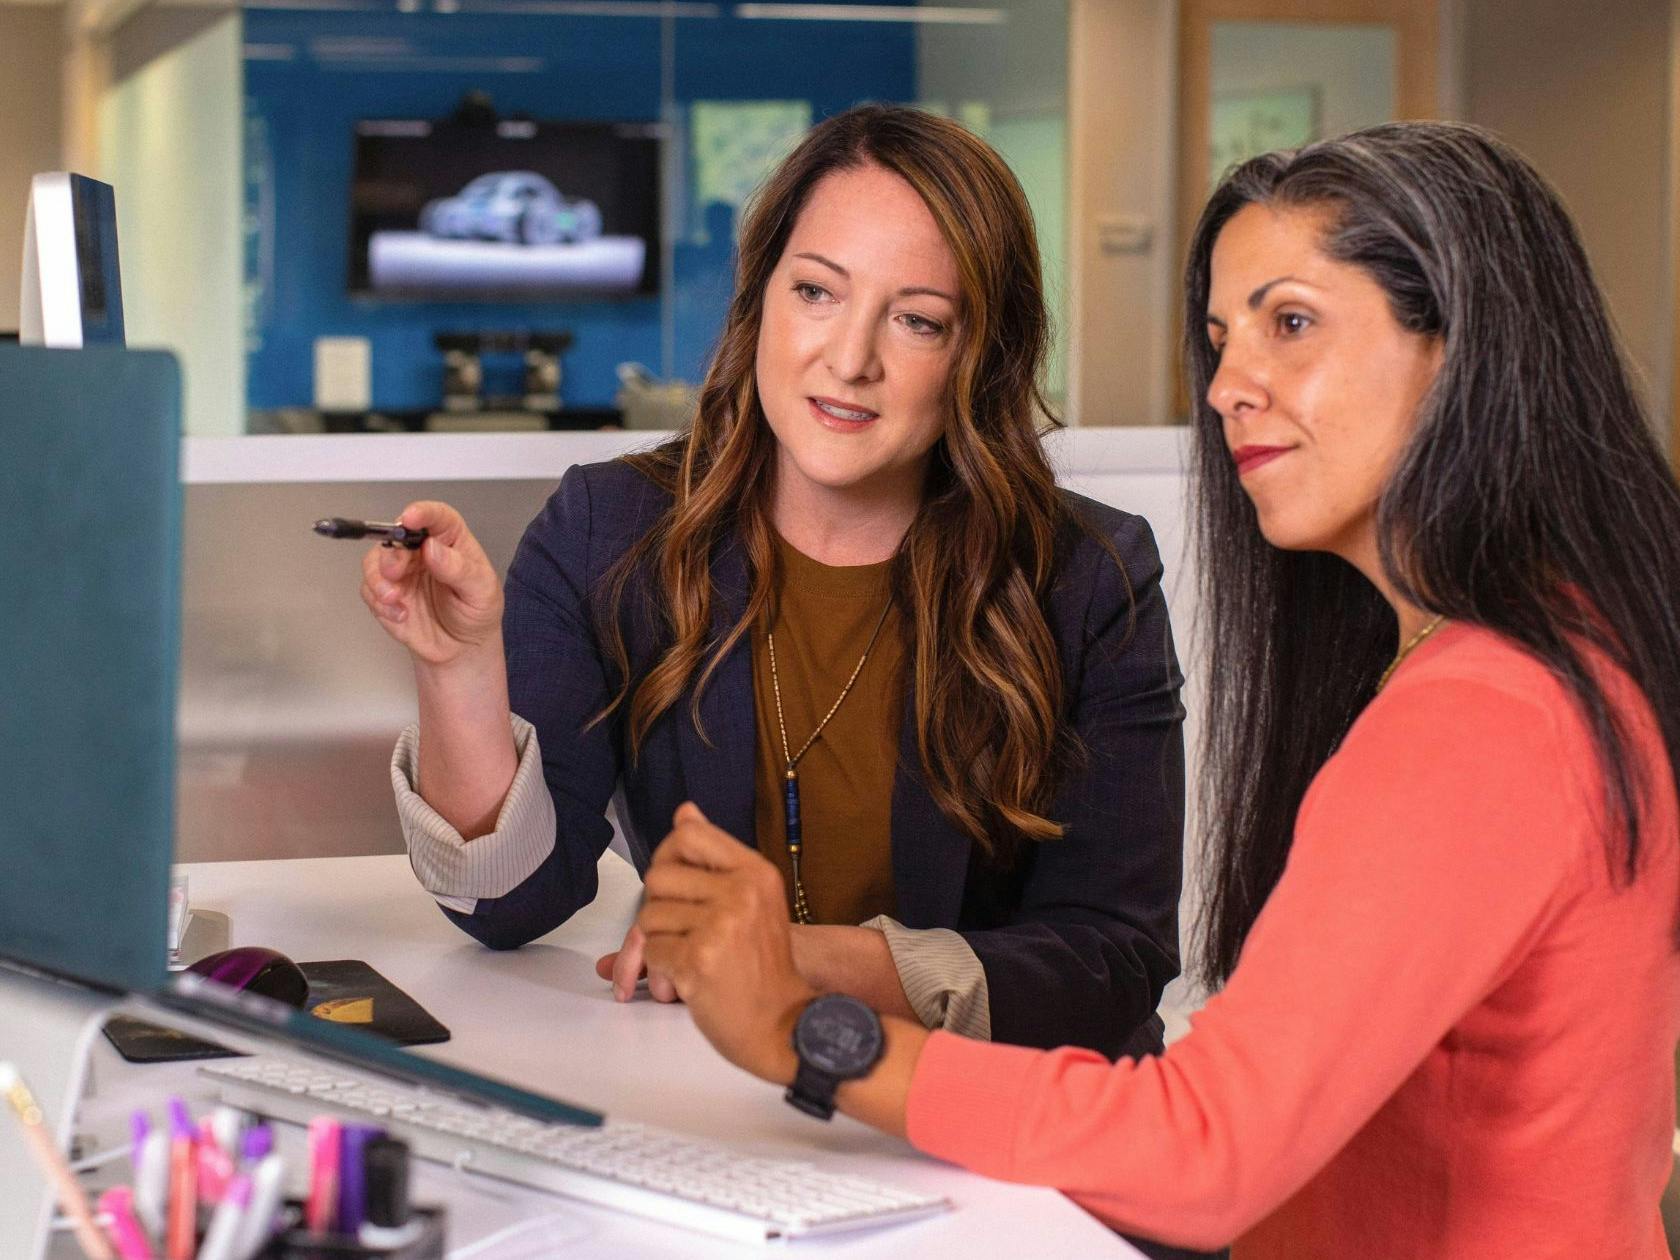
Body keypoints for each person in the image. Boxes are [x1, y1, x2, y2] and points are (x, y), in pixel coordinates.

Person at [632, 121, 1680, 1257]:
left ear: (1464, 348)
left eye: (1292, 324)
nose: (1230, 385)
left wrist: (806, 1034)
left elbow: (1204, 1153)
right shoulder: (1551, 653)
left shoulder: (1486, 717)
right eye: (1223, 338)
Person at [360, 105, 1186, 1064]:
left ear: (978, 356)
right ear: (761, 301)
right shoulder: (611, 532)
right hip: (718, 1099)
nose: (850, 359)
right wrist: (462, 669)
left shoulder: (1088, 578)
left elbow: (1111, 960)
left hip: (989, 1119)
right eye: (817, 293)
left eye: (918, 320)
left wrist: (798, 961)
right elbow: (510, 904)